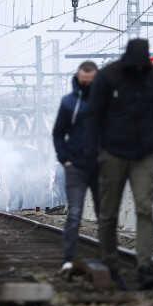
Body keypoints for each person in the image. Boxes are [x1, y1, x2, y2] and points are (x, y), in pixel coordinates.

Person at [87, 38, 153, 290]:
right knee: (108, 212)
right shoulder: (108, 76)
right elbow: (94, 116)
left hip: (145, 152)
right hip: (112, 152)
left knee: (144, 207)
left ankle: (144, 265)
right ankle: (110, 263)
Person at [52, 61, 101, 276]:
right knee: (74, 214)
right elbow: (58, 133)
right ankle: (68, 260)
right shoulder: (69, 103)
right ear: (78, 78)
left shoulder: (106, 102)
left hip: (101, 166)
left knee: (105, 216)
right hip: (76, 167)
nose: (87, 85)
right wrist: (65, 159)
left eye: (91, 82)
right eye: (84, 81)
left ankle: (108, 259)